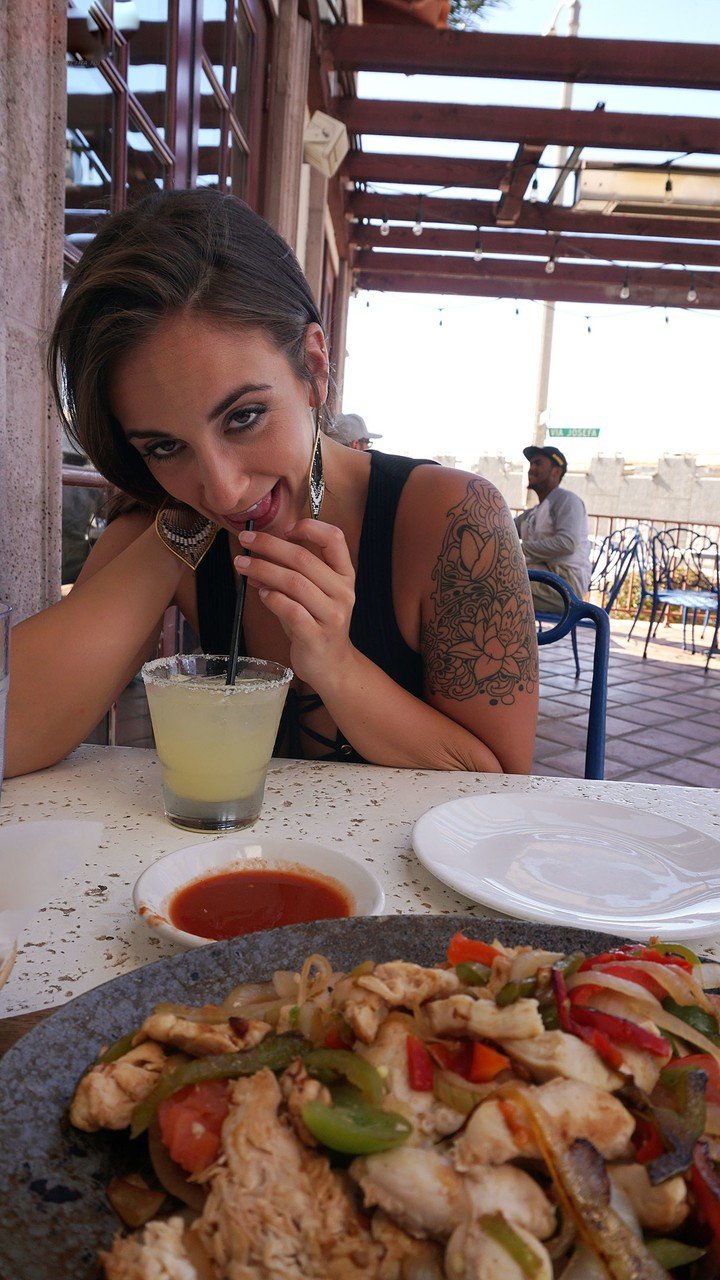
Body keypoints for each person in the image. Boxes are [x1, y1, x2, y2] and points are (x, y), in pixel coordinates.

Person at [6, 190, 538, 778]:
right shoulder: (165, 525)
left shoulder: (453, 519)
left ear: (313, 368)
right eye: (164, 446)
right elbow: (13, 731)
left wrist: (335, 664)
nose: (223, 491)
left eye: (244, 417)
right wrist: (173, 539)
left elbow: (498, 783)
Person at [514, 446, 592, 612]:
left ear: (556, 472)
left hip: (565, 583)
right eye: (531, 464)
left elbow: (567, 543)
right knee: (491, 575)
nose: (531, 469)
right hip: (546, 574)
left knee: (495, 583)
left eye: (538, 463)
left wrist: (516, 549)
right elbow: (505, 528)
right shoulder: (535, 511)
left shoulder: (567, 500)